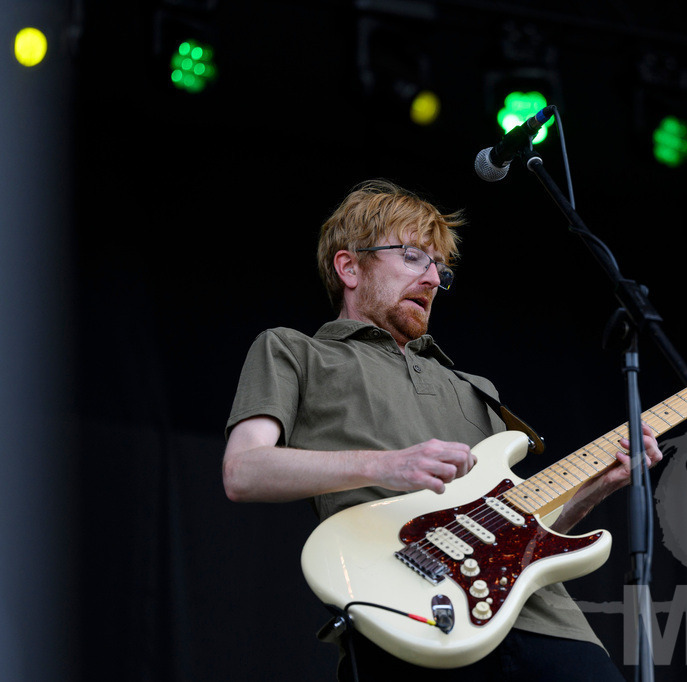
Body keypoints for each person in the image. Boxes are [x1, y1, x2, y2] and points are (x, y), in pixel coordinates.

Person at [222, 179, 662, 681]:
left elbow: (524, 536)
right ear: (349, 267)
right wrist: (389, 463)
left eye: (439, 268)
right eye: (413, 257)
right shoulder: (294, 352)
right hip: (415, 616)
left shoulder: (476, 388)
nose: (433, 279)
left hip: (548, 623)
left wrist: (594, 487)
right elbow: (243, 471)